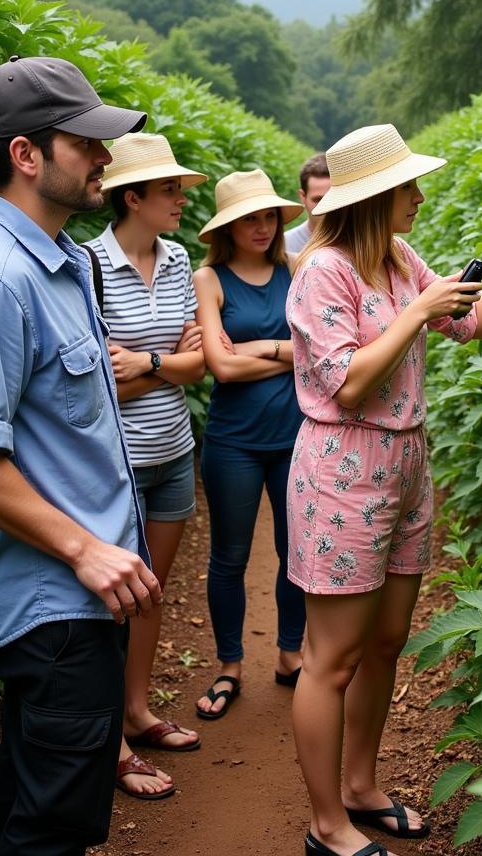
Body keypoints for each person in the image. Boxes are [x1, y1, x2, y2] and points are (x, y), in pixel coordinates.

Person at [285, 123, 482, 856]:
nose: (418, 197)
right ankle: (327, 826)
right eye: (407, 187)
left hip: (408, 465)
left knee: (385, 642)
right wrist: (418, 311)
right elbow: (350, 383)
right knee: (333, 658)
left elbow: (471, 322)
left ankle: (360, 785)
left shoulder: (396, 256)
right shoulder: (323, 272)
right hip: (345, 471)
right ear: (374, 198)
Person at [0, 55, 160, 856]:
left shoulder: (61, 267)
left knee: (42, 808)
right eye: (85, 141)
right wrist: (87, 549)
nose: (105, 157)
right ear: (25, 155)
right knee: (50, 832)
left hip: (81, 603)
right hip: (54, 605)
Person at [83, 132, 208, 799]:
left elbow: (199, 361)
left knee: (153, 591)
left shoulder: (179, 256)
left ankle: (136, 711)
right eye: (169, 191)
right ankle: (110, 744)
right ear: (131, 197)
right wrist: (168, 365)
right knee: (113, 604)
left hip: (174, 451)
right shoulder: (89, 265)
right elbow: (96, 383)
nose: (181, 200)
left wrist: (147, 363)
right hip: (117, 463)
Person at [193, 170, 309, 719]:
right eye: (248, 219)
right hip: (233, 442)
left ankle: (290, 656)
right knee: (229, 556)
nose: (261, 227)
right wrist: (282, 349)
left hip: (296, 437)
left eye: (268, 216)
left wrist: (254, 349)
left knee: (296, 553)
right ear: (228, 227)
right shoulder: (209, 279)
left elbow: (316, 353)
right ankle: (229, 667)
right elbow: (219, 367)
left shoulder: (297, 269)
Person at [284, 152, 331, 252]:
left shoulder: (362, 244)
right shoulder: (286, 247)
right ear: (303, 197)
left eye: (332, 199)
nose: (326, 207)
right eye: (318, 200)